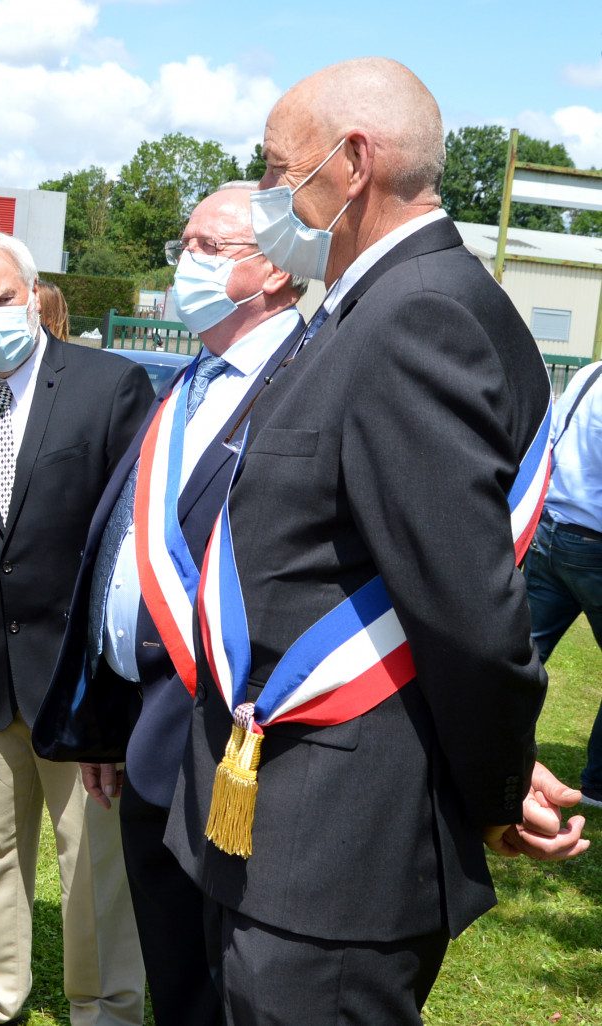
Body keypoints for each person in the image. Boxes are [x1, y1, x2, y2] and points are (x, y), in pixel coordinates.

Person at [165, 58, 588, 1023]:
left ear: (352, 162)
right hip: (288, 824)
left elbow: (465, 607)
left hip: (337, 855)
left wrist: (496, 783)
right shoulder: (373, 302)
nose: (269, 192)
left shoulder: (419, 314)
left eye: (278, 170)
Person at [38, 182, 308, 1026]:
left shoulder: (316, 380)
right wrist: (109, 719)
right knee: (176, 976)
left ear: (272, 269)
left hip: (242, 746)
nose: (181, 265)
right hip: (148, 725)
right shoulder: (190, 380)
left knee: (237, 984)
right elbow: (130, 552)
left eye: (206, 248)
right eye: (181, 246)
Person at [0, 231, 153, 1026]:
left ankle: (106, 1005)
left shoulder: (111, 386)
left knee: (95, 863)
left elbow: (133, 545)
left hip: (83, 682)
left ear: (34, 291)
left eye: (1, 298)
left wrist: (116, 704)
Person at [524, 359, 602, 801]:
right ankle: (599, 783)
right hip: (594, 545)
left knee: (521, 655)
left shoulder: (591, 372)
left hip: (551, 530)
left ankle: (482, 752)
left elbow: (549, 440)